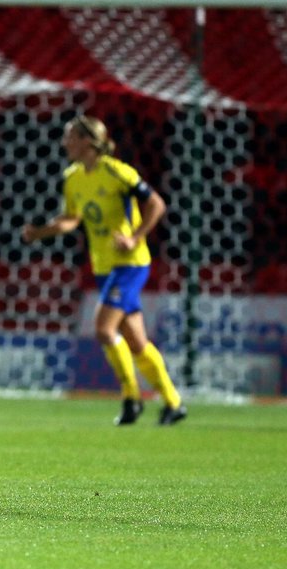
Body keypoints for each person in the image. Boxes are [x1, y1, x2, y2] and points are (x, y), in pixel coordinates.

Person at [21, 115, 187, 426]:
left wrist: (135, 237)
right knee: (136, 342)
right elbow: (73, 219)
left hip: (131, 263)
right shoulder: (72, 177)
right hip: (103, 265)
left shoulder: (117, 172)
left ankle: (130, 399)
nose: (65, 142)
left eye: (70, 136)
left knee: (103, 328)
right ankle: (173, 403)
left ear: (88, 140)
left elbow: (157, 205)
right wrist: (41, 232)